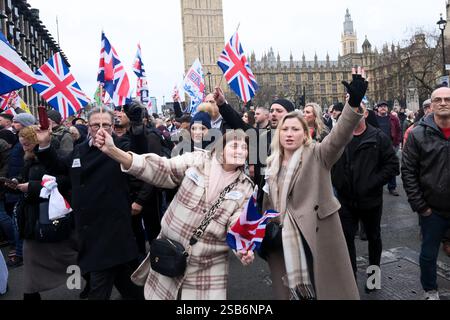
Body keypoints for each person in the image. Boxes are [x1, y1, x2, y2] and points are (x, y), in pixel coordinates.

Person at [94, 128, 255, 300]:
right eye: (235, 146)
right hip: (170, 252)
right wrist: (114, 151)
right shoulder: (197, 160)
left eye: (244, 148)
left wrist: (242, 248)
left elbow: (238, 222)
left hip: (208, 266)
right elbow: (164, 169)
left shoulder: (246, 187)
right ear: (221, 147)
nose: (240, 151)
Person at [260, 68, 368, 300]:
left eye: (295, 129)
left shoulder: (318, 154)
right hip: (284, 239)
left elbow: (339, 136)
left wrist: (354, 105)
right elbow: (268, 204)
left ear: (305, 134)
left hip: (316, 234)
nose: (289, 134)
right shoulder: (271, 163)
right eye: (285, 129)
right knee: (290, 291)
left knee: (322, 290)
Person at [34, 107, 142, 300]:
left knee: (99, 286)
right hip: (87, 229)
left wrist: (138, 201)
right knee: (128, 284)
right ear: (89, 127)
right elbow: (60, 168)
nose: (100, 128)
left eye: (106, 124)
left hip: (111, 230)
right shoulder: (80, 149)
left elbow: (142, 161)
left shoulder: (123, 147)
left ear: (112, 126)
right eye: (95, 124)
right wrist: (45, 145)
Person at [332, 102, 399, 288]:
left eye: (357, 112)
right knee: (346, 241)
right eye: (350, 112)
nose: (353, 115)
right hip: (345, 201)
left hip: (370, 200)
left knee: (373, 238)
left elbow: (393, 166)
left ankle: (373, 278)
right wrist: (337, 181)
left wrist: (372, 182)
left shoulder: (378, 137)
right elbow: (327, 161)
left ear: (366, 114)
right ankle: (350, 279)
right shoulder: (339, 137)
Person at [9, 127, 78, 300]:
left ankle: (87, 278)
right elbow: (27, 176)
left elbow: (63, 182)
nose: (23, 148)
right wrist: (17, 182)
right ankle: (31, 294)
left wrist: (31, 187)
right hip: (34, 217)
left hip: (51, 216)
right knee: (31, 257)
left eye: (26, 144)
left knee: (67, 255)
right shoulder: (29, 158)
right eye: (22, 144)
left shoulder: (53, 156)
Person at [402, 86, 450, 300]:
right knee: (428, 254)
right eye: (437, 100)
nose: (443, 103)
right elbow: (408, 172)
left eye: (447, 99)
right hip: (433, 208)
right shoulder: (417, 133)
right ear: (431, 105)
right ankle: (430, 290)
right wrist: (422, 207)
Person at [375, 102, 401, 196]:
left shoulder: (393, 118)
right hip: (376, 147)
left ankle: (392, 187)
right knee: (376, 167)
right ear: (377, 108)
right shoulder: (374, 119)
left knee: (391, 166)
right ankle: (377, 186)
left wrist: (396, 144)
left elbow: (398, 131)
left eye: (385, 106)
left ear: (387, 108)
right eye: (381, 106)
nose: (383, 108)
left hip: (390, 146)